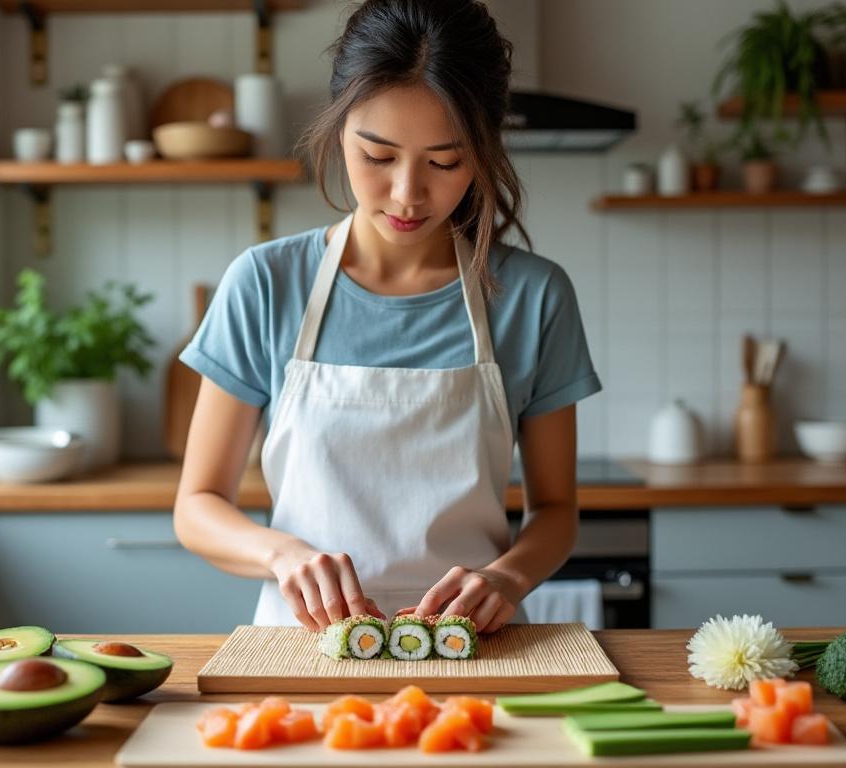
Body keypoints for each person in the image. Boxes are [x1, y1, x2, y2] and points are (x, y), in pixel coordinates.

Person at [173, 0, 601, 635]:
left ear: (483, 153)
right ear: (339, 127)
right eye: (378, 156)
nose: (407, 194)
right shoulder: (265, 283)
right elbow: (197, 505)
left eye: (445, 162)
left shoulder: (535, 296)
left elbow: (557, 509)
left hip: (474, 649)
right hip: (301, 650)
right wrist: (281, 553)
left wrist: (507, 577)